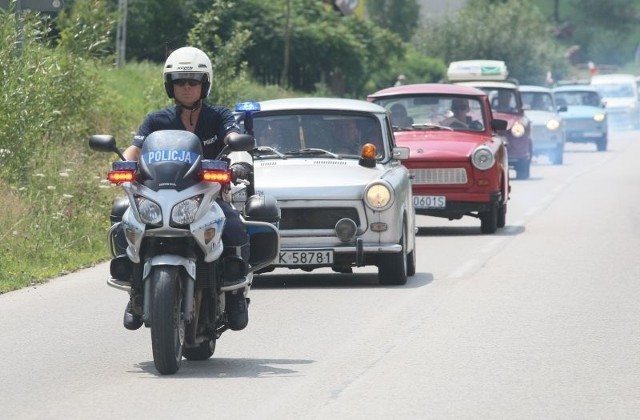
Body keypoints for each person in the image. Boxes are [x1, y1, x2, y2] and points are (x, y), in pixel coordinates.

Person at [115, 46, 250, 332]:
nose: (186, 87)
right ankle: (134, 289)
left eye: (193, 81)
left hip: (208, 195)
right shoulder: (157, 120)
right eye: (180, 81)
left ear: (205, 84)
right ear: (170, 85)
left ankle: (236, 293)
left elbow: (232, 136)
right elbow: (135, 149)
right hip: (162, 195)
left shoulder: (218, 116)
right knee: (121, 219)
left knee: (236, 227)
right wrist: (120, 164)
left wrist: (238, 155)